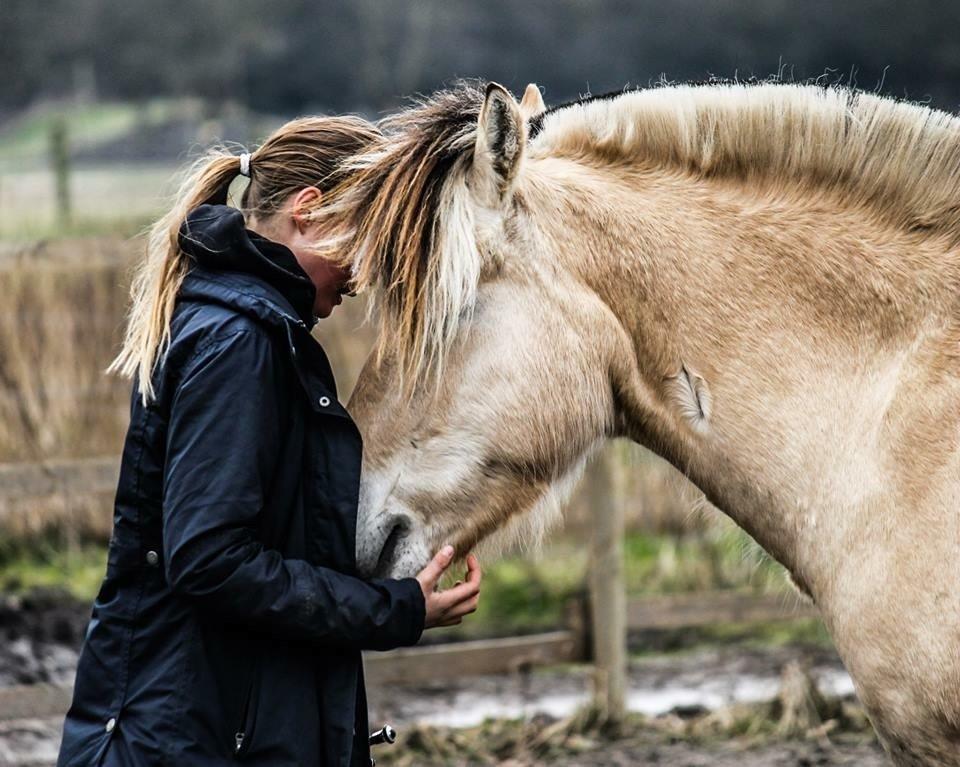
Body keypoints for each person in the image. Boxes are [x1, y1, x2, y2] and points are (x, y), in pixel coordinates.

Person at [56, 117, 482, 767]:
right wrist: (393, 609)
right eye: (366, 241)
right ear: (308, 213)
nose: (364, 276)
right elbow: (209, 557)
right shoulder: (241, 342)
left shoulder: (253, 330)